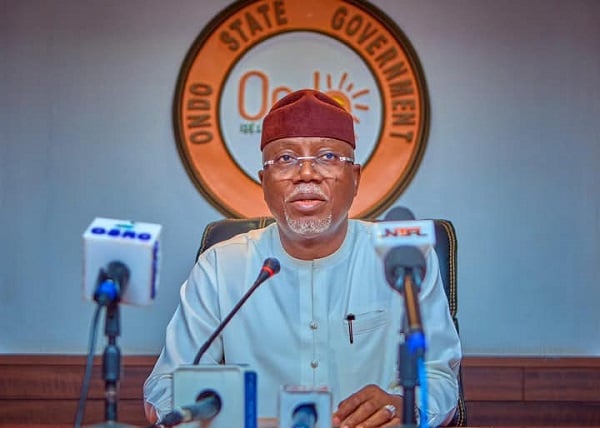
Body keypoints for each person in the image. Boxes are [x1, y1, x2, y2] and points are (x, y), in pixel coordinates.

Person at [144, 89, 462, 427]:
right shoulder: (221, 267)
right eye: (285, 159)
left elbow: (440, 377)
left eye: (327, 156)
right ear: (264, 182)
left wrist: (407, 408)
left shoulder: (404, 259)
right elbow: (165, 387)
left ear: (355, 178)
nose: (306, 173)